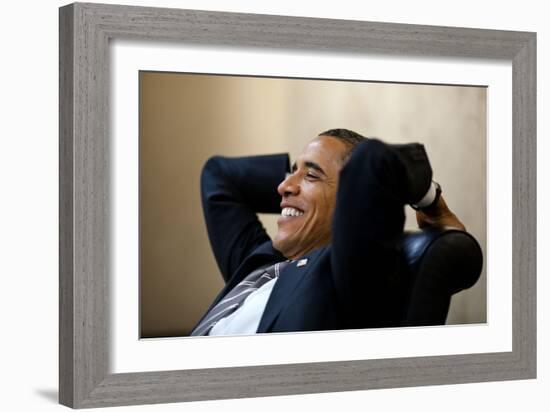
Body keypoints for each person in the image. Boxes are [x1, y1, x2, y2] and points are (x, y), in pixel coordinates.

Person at [190, 129, 465, 336]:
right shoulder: (259, 262)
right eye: (290, 173)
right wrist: (300, 180)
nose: (282, 187)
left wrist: (429, 200)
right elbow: (218, 176)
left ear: (350, 201)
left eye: (312, 175)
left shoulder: (346, 276)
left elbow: (373, 161)